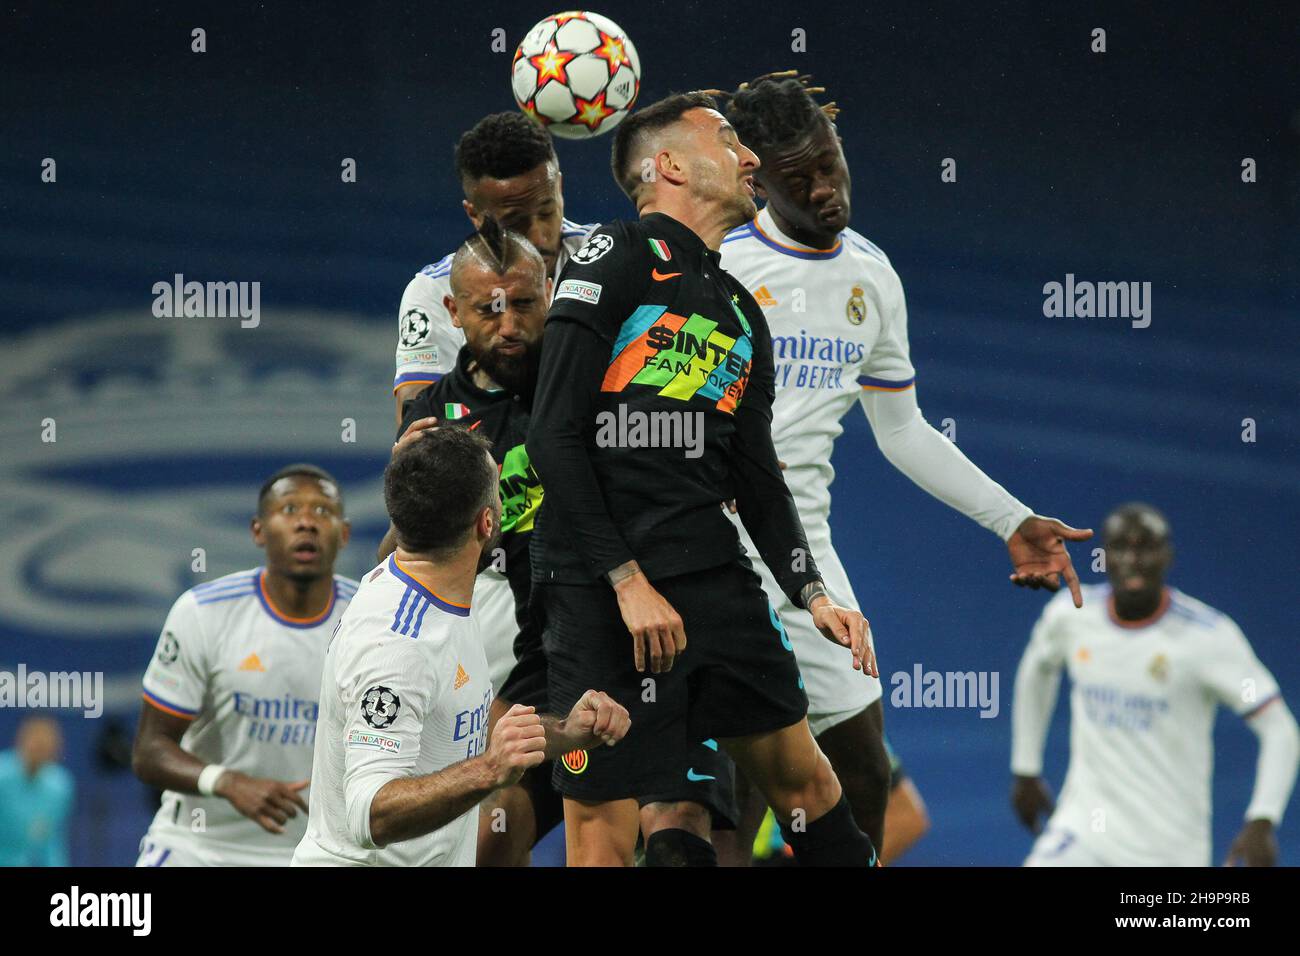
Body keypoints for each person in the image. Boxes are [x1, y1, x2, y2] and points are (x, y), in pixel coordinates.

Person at [714, 71, 1093, 855]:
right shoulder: (718, 263)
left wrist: (1011, 520)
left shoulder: (871, 276)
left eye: (831, 164)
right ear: (755, 180)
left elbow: (904, 430)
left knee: (862, 770)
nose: (825, 189)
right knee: (728, 789)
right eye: (799, 179)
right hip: (706, 541)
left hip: (803, 551)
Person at [527, 91, 880, 867]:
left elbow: (756, 476)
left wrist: (812, 592)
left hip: (712, 578)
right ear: (670, 167)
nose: (752, 158)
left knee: (809, 788)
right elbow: (554, 439)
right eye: (729, 142)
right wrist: (625, 581)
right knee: (602, 835)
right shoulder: (608, 259)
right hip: (600, 591)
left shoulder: (740, 313)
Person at [388, 218, 734, 865]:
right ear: (453, 310)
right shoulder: (435, 426)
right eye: (489, 309)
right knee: (494, 839)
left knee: (678, 835)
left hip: (657, 626)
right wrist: (405, 507)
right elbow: (408, 562)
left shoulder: (604, 373)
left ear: (551, 290)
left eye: (524, 303)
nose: (510, 325)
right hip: (546, 652)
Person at [293, 426, 629, 866]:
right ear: (488, 524)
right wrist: (491, 769)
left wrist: (565, 732)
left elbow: (458, 715)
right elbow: (368, 814)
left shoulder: (434, 588)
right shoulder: (398, 645)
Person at [390, 111, 596, 742]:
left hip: (602, 559)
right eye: (513, 222)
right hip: (497, 574)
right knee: (491, 797)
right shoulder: (433, 292)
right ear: (474, 215)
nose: (542, 234)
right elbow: (426, 445)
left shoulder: (607, 262)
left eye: (548, 209)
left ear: (560, 182)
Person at [1011, 502, 1300, 866]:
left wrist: (1262, 820)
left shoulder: (1208, 638)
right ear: (1106, 555)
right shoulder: (1073, 618)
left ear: (1167, 556)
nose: (1135, 559)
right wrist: (1026, 767)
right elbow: (1038, 668)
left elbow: (1279, 729)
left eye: (1146, 547)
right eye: (1121, 547)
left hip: (1170, 852)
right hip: (1084, 835)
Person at [132, 464, 356, 866]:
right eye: (289, 510)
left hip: (322, 852)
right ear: (258, 531)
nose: (306, 522)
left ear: (344, 534)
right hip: (199, 848)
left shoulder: (368, 617)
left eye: (322, 511)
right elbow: (149, 751)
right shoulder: (203, 612)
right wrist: (227, 781)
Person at [0, 717, 73, 866]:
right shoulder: (2, 775)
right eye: (35, 743)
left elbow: (51, 839)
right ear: (21, 741)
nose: (39, 750)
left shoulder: (61, 786)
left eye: (46, 745)